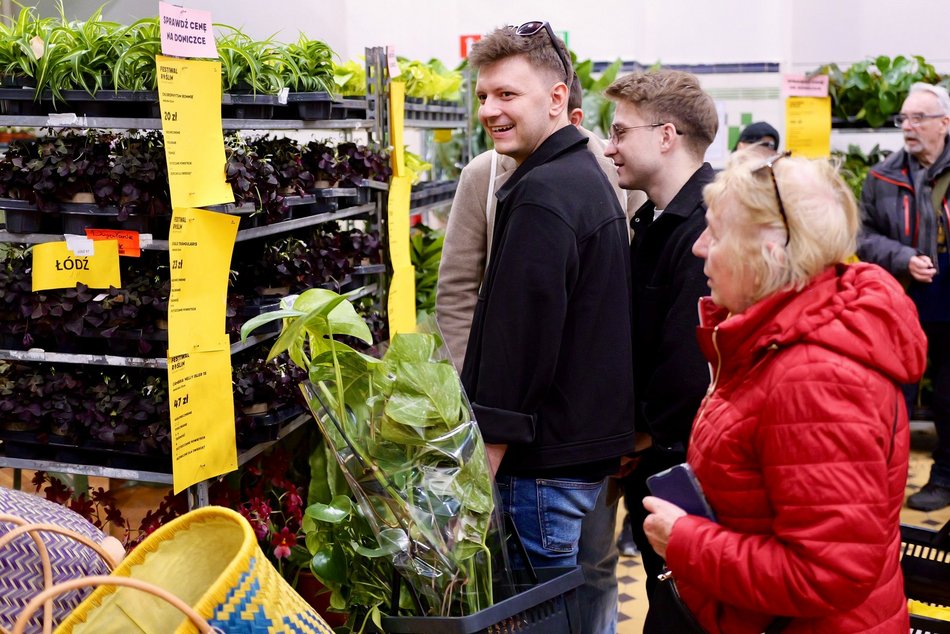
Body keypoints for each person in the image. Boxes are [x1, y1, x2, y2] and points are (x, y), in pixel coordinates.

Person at [643, 150, 927, 632]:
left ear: (771, 252)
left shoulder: (815, 379)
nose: (699, 248)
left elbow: (828, 573)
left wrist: (686, 541)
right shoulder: (771, 340)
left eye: (717, 232)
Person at [438, 72, 644, 634]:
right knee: (550, 583)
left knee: (574, 575)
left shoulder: (580, 181)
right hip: (529, 423)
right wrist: (476, 402)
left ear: (562, 107)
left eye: (507, 96)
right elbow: (458, 290)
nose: (491, 110)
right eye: (484, 97)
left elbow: (603, 306)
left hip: (559, 436)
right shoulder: (483, 177)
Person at [602, 69, 718, 597]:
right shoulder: (655, 220)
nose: (609, 148)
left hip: (684, 461)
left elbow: (689, 361)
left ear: (666, 136)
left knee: (686, 604)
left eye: (621, 132)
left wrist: (640, 433)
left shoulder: (705, 229)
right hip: (656, 453)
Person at [857, 82, 950, 512]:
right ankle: (878, 481)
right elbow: (862, 235)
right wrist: (903, 257)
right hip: (903, 298)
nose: (907, 127)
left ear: (944, 123)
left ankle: (945, 478)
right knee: (893, 395)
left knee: (949, 396)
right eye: (903, 119)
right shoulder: (883, 175)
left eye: (918, 119)